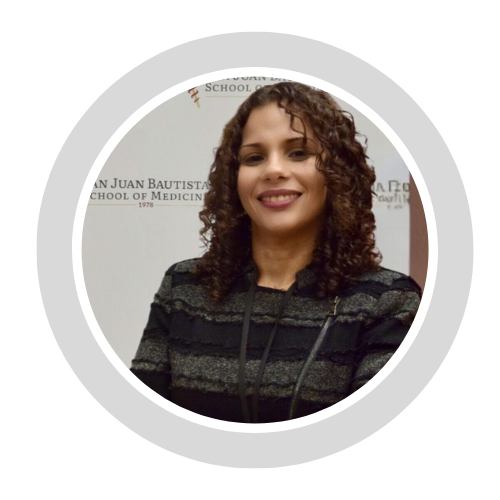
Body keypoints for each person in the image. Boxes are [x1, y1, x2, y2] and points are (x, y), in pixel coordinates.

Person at [131, 81, 421, 423]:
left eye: (298, 153)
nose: (273, 170)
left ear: (336, 172)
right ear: (234, 178)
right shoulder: (184, 288)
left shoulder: (386, 302)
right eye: (254, 157)